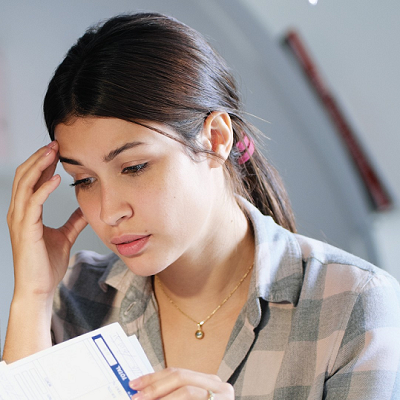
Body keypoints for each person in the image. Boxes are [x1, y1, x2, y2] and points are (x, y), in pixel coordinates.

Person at [3, 12, 400, 400]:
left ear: (215, 138)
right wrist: (33, 295)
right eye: (84, 180)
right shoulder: (77, 298)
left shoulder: (353, 306)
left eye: (135, 166)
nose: (108, 213)